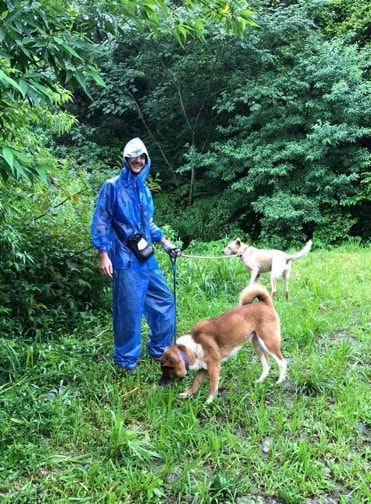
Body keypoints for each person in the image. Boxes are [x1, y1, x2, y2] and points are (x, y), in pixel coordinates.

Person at [91, 137, 181, 372]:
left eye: (142, 157)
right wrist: (103, 254)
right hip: (123, 258)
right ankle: (126, 361)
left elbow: (146, 224)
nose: (138, 161)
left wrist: (165, 242)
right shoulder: (111, 187)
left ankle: (160, 348)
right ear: (126, 159)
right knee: (129, 310)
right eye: (134, 157)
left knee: (164, 299)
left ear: (146, 160)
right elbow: (101, 220)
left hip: (145, 257)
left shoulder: (143, 191)